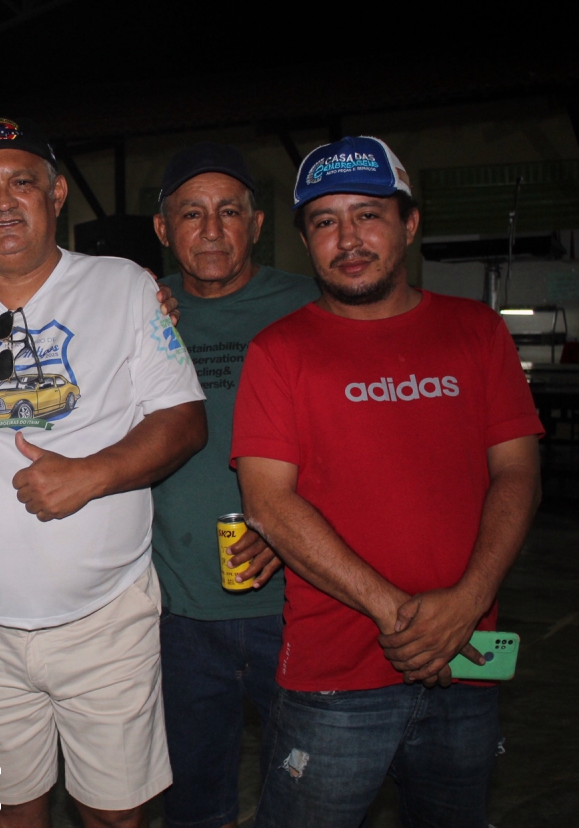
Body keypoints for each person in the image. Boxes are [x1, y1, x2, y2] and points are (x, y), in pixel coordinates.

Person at [231, 136, 543, 828]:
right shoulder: (279, 352)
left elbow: (518, 472)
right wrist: (403, 616)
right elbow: (268, 503)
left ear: (410, 223)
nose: (348, 239)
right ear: (305, 241)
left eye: (368, 215)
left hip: (465, 662)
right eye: (325, 221)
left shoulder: (477, 331)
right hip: (335, 681)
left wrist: (466, 603)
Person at [0, 116, 208, 828]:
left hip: (107, 620)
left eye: (22, 182)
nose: (3, 201)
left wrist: (92, 474)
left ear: (56, 194)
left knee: (114, 813)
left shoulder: (123, 287)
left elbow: (183, 419)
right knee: (12, 809)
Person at [149, 143, 318, 828]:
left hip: (300, 602)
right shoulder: (139, 308)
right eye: (192, 213)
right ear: (164, 229)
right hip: (177, 612)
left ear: (257, 223)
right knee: (193, 807)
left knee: (310, 801)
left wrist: (292, 528)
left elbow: (353, 442)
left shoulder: (310, 306)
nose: (212, 230)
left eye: (230, 211)